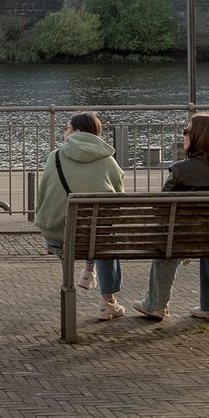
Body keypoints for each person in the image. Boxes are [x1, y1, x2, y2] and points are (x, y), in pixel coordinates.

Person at [134, 112, 209, 323]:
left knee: (166, 242)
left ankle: (155, 305)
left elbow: (161, 209)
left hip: (183, 238)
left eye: (186, 132)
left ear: (199, 137)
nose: (183, 136)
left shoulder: (180, 170)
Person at [33, 112, 127, 320]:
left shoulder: (55, 157)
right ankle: (108, 301)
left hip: (59, 235)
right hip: (94, 237)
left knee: (89, 232)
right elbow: (118, 202)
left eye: (66, 127)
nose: (64, 132)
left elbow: (44, 194)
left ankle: (88, 270)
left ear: (76, 132)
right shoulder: (108, 160)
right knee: (102, 235)